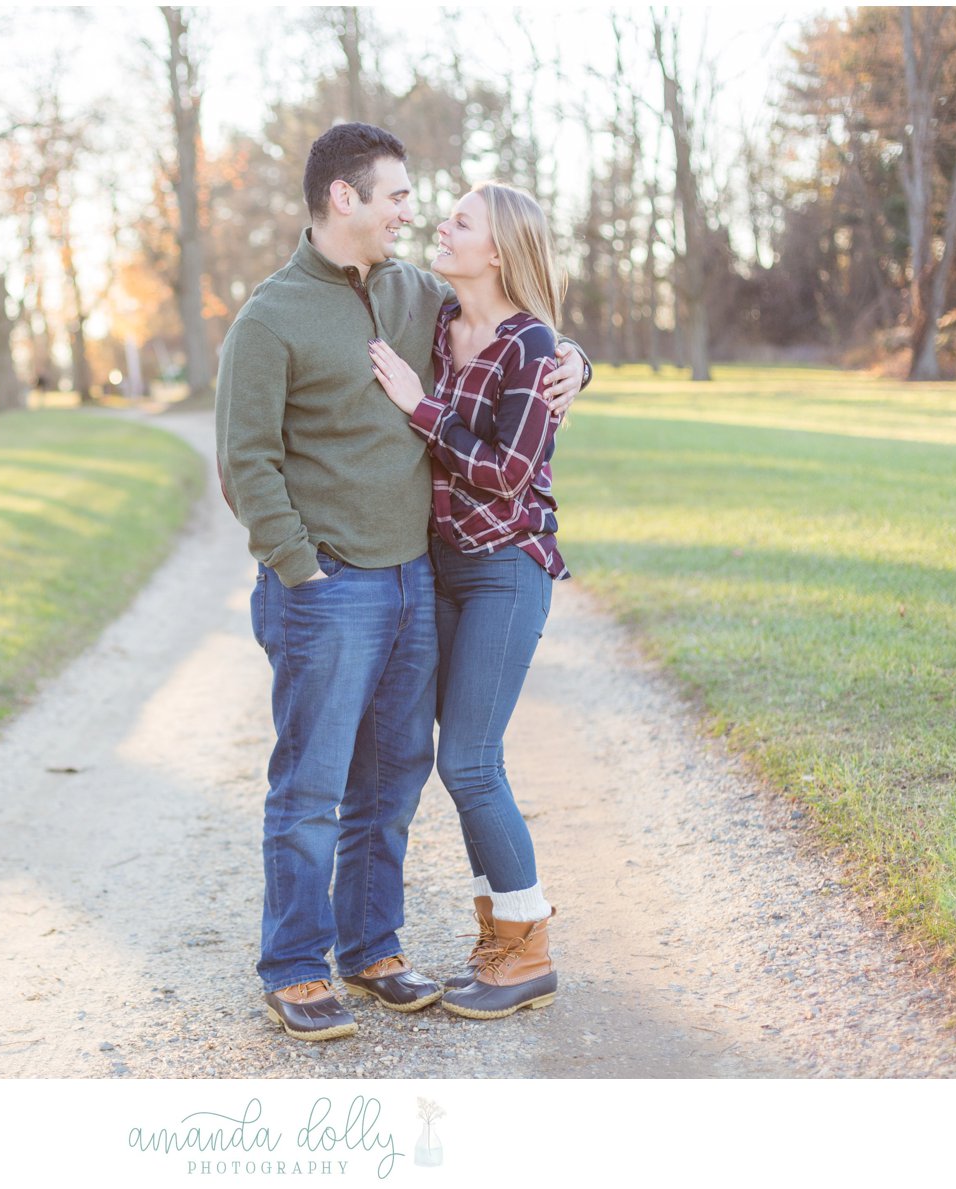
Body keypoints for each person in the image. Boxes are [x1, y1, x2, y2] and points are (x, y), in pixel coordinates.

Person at [215, 123, 589, 1042]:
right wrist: (300, 566)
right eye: (396, 198)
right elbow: (246, 463)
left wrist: (579, 362)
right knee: (311, 787)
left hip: (415, 579)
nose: (411, 215)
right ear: (344, 198)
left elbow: (517, 323)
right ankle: (296, 967)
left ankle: (371, 947)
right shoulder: (270, 318)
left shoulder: (412, 291)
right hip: (327, 586)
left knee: (395, 779)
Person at [366, 181, 571, 1019]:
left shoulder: (530, 346)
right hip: (441, 565)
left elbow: (503, 472)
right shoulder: (438, 326)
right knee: (463, 760)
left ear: (497, 252)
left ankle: (528, 951)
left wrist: (418, 407)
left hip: (504, 568)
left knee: (469, 762)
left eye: (459, 223)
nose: (439, 229)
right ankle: (499, 937)